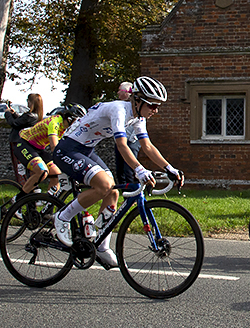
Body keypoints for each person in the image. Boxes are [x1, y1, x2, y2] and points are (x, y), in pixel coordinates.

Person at [50, 77, 183, 269]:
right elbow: (121, 144)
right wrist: (139, 170)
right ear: (137, 100)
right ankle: (62, 216)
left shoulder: (138, 117)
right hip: (68, 149)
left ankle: (102, 247)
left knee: (112, 192)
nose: (155, 110)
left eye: (158, 106)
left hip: (86, 150)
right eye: (152, 105)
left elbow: (147, 146)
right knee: (104, 184)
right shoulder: (119, 110)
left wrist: (170, 169)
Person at [15, 104, 86, 194]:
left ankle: (48, 202)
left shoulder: (66, 128)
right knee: (42, 172)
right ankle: (18, 200)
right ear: (69, 119)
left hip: (39, 149)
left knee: (57, 173)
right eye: (77, 122)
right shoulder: (55, 121)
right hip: (25, 144)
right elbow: (54, 147)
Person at [4, 93, 43, 185]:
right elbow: (21, 121)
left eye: (28, 101)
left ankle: (23, 185)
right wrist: (14, 114)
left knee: (18, 167)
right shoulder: (36, 116)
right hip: (27, 143)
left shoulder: (29, 115)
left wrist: (7, 113)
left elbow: (14, 123)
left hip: (17, 142)